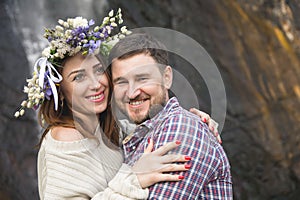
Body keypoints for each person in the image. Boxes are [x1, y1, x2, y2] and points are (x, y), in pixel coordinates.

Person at [14, 10, 219, 199]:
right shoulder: (66, 140)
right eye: (78, 78)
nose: (96, 84)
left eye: (98, 70)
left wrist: (195, 121)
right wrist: (134, 178)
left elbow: (149, 125)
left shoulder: (111, 130)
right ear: (61, 91)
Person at [108, 33, 233, 199]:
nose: (131, 93)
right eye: (121, 82)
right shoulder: (140, 133)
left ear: (166, 78)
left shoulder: (181, 130)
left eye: (142, 78)